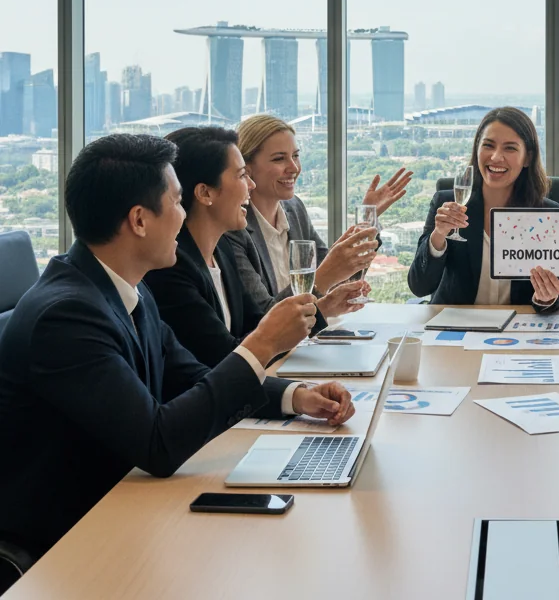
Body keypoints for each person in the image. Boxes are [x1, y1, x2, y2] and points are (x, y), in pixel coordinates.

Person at [0, 134, 356, 558]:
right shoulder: (66, 317)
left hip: (127, 507)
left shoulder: (126, 289)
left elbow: (193, 377)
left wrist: (296, 397)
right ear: (139, 220)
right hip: (68, 540)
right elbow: (158, 443)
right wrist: (261, 345)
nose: (184, 215)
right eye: (176, 202)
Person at [146, 127, 370, 368]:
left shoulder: (221, 251)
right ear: (205, 192)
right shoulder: (173, 269)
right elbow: (228, 359)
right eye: (242, 175)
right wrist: (323, 280)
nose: (250, 185)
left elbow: (258, 326)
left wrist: (323, 308)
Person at [231, 114, 411, 307]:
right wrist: (324, 276)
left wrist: (368, 219)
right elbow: (263, 317)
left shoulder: (294, 210)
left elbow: (339, 279)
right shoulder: (234, 226)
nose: (294, 167)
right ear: (246, 168)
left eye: (296, 156)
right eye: (279, 159)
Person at [408, 107, 559, 311]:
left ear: (527, 158)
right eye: (488, 146)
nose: (495, 157)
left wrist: (546, 297)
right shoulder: (447, 203)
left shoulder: (546, 214)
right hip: (458, 329)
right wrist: (438, 235)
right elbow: (419, 286)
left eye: (510, 148)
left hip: (518, 330)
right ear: (477, 150)